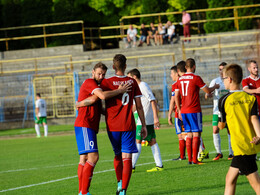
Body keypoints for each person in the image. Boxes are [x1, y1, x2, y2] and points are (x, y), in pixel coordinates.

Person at [74, 62, 130, 195]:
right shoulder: (89, 82)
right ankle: (84, 192)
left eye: (103, 74)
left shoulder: (97, 86)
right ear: (92, 72)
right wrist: (120, 91)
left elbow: (97, 105)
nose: (101, 76)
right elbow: (102, 96)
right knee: (94, 157)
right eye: (99, 73)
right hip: (85, 124)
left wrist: (117, 113)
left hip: (88, 126)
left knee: (84, 159)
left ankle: (81, 192)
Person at [100, 54, 147, 195]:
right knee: (127, 158)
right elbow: (139, 106)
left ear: (113, 67)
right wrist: (143, 124)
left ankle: (119, 182)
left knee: (117, 155)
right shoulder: (132, 82)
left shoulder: (106, 82)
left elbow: (99, 99)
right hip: (128, 125)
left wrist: (105, 113)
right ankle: (123, 190)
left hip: (112, 125)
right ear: (125, 66)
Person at [218, 64, 260, 195]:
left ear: (229, 79)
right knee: (229, 179)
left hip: (240, 147)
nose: (223, 81)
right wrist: (259, 135)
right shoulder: (250, 98)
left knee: (257, 185)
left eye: (224, 78)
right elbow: (254, 119)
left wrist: (217, 119)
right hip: (250, 145)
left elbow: (221, 126)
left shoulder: (224, 99)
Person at [175, 58, 219, 165]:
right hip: (194, 110)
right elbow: (207, 90)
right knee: (196, 134)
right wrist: (215, 86)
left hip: (184, 110)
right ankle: (195, 159)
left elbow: (176, 95)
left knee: (188, 134)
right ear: (194, 66)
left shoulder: (179, 80)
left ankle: (190, 160)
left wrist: (179, 109)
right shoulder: (196, 78)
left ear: (185, 67)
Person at [127, 68, 163, 172]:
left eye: (129, 77)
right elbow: (137, 105)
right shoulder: (137, 87)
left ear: (134, 77)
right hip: (146, 118)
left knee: (137, 140)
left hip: (145, 118)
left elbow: (152, 100)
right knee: (152, 141)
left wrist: (155, 117)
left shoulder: (143, 86)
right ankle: (159, 165)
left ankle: (131, 166)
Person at [205, 62, 233, 161]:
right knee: (215, 130)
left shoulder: (230, 80)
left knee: (230, 131)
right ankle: (219, 152)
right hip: (217, 111)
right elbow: (207, 94)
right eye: (220, 69)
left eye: (223, 69)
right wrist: (208, 95)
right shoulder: (215, 81)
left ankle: (231, 153)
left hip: (228, 110)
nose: (221, 71)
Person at [168, 63, 187, 160]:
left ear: (177, 73)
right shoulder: (185, 83)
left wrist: (169, 114)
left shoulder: (176, 84)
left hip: (179, 112)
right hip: (187, 110)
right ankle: (199, 151)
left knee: (181, 135)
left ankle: (183, 156)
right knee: (189, 133)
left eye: (172, 73)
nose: (171, 75)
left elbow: (173, 100)